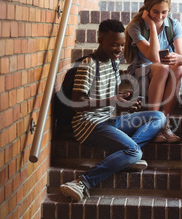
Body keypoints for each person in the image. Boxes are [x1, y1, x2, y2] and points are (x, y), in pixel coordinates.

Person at [59, 19, 166, 202]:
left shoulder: (114, 63)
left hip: (109, 119)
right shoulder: (88, 65)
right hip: (89, 124)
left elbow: (112, 97)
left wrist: (124, 104)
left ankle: (127, 154)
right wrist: (110, 101)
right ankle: (82, 182)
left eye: (122, 45)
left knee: (158, 117)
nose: (118, 49)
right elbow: (76, 102)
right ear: (100, 39)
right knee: (134, 152)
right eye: (114, 44)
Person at [125, 0, 182, 143]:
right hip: (141, 71)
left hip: (164, 71)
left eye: (164, 12)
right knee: (162, 67)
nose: (159, 16)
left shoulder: (174, 25)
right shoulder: (136, 26)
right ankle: (153, 123)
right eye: (155, 12)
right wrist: (152, 26)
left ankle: (164, 124)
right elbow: (154, 57)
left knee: (177, 68)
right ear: (147, 9)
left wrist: (178, 57)